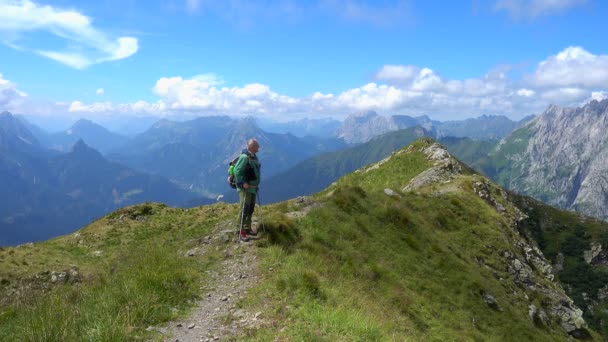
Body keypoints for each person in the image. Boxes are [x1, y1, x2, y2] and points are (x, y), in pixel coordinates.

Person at [234, 139, 261, 242]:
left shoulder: (253, 157)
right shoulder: (244, 157)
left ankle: (247, 228)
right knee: (244, 208)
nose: (258, 149)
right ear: (252, 147)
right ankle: (240, 232)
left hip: (252, 188)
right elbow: (237, 171)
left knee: (250, 209)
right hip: (245, 188)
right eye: (257, 147)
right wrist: (242, 183)